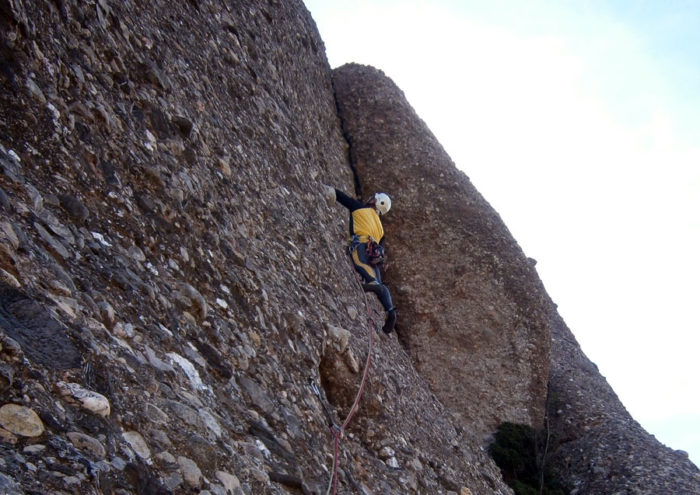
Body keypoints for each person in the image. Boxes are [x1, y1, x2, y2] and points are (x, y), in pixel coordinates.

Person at [324, 185, 397, 333]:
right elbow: (381, 245)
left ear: (375, 202)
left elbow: (342, 198)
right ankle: (390, 311)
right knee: (380, 284)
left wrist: (327, 189)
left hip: (361, 246)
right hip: (374, 254)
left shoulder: (359, 209)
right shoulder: (381, 229)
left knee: (361, 265)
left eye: (373, 198)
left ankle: (372, 282)